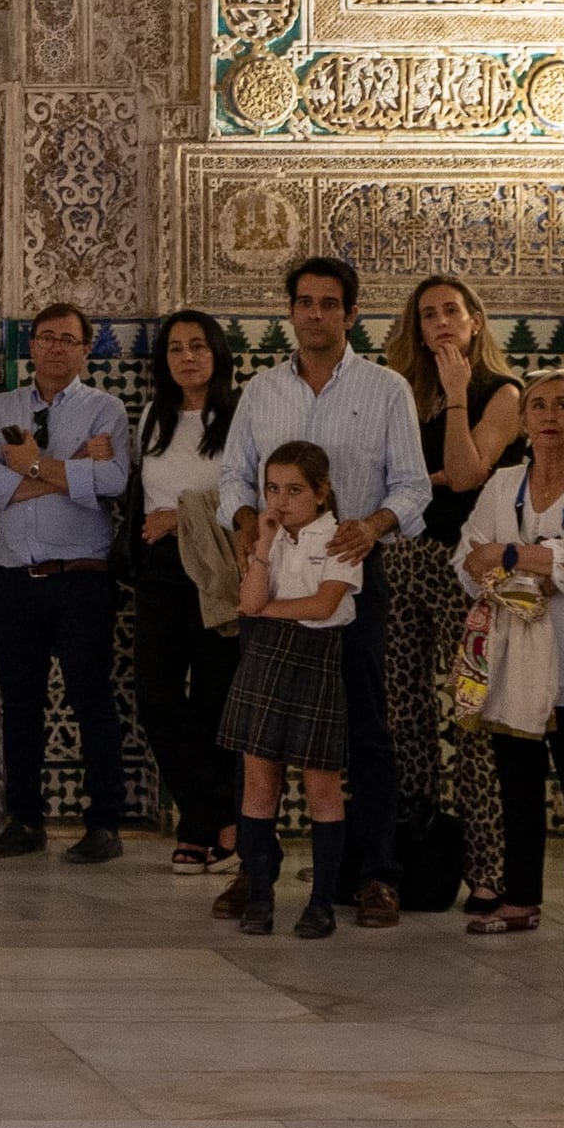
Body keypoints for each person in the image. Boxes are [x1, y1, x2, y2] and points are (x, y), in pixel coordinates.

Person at [218, 257, 433, 922]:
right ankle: (256, 875)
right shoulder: (261, 391)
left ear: (351, 313)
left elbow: (414, 487)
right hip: (274, 585)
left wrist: (371, 525)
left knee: (363, 729)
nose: (316, 313)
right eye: (304, 302)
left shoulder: (387, 387)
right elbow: (234, 478)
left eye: (329, 303)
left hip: (350, 589)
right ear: (289, 311)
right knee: (261, 737)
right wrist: (255, 529)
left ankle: (375, 874)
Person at [462, 370, 564, 944]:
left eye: (563, 406)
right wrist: (533, 563)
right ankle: (520, 898)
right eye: (538, 406)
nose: (550, 415)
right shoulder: (503, 483)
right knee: (517, 784)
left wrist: (506, 553)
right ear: (524, 419)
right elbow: (467, 559)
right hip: (512, 656)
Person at [0, 301, 132, 862]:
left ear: (86, 349)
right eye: (46, 337)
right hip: (13, 577)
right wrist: (68, 473)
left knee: (92, 700)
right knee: (20, 704)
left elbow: (111, 480)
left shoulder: (104, 409)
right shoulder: (1, 406)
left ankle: (105, 822)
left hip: (80, 578)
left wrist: (33, 464)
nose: (56, 347)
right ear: (30, 346)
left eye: (68, 339)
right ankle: (24, 819)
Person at [383, 276, 522, 909]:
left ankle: (487, 871)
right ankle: (411, 856)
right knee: (403, 713)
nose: (440, 322)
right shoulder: (401, 395)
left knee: (471, 716)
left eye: (451, 312)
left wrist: (460, 397)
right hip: (402, 560)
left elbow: (467, 474)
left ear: (474, 322)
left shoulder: (501, 393)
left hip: (463, 569)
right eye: (428, 314)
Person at [220, 442, 369, 936]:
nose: (281, 502)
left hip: (314, 661)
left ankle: (321, 903)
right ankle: (260, 896)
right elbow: (248, 598)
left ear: (321, 493)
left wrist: (261, 611)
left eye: (295, 491)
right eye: (273, 490)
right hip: (264, 660)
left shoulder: (340, 538)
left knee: (322, 788)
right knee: (260, 785)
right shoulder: (274, 538)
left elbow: (325, 605)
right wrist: (262, 547)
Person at [125, 312, 250, 876]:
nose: (187, 357)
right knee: (155, 695)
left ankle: (198, 830)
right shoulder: (154, 415)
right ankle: (219, 814)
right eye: (175, 348)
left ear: (217, 354)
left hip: (216, 568)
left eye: (198, 346)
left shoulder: (241, 414)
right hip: (161, 573)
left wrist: (182, 517)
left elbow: (247, 497)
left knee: (215, 700)